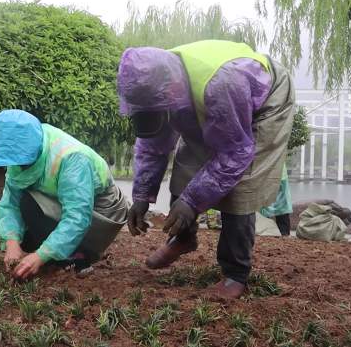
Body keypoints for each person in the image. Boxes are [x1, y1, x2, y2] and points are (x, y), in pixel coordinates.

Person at [116, 40, 295, 298]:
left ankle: (236, 274)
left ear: (170, 91)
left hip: (262, 96)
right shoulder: (153, 87)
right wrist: (141, 196)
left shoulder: (221, 85)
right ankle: (184, 238)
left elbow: (235, 152)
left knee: (241, 182)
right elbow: (153, 145)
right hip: (211, 96)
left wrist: (193, 201)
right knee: (186, 165)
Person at [0, 110, 128, 279]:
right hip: (59, 205)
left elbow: (78, 216)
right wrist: (12, 242)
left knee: (29, 203)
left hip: (100, 214)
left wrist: (41, 256)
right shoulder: (21, 149)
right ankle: (53, 252)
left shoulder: (72, 158)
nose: (17, 166)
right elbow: (10, 203)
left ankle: (77, 257)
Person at [259, 165, 293, 236]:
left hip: (269, 174)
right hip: (273, 174)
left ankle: (281, 233)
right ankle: (283, 233)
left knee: (267, 206)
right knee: (281, 207)